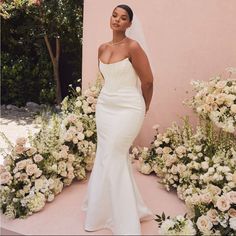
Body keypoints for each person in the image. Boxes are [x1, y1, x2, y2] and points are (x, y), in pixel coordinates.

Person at [81, 4, 154, 235]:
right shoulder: (101, 48)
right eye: (114, 15)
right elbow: (106, 79)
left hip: (129, 108)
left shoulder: (133, 47)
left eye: (123, 18)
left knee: (114, 153)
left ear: (130, 24)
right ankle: (104, 211)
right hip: (105, 107)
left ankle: (124, 221)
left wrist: (145, 107)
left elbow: (148, 82)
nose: (117, 20)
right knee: (106, 154)